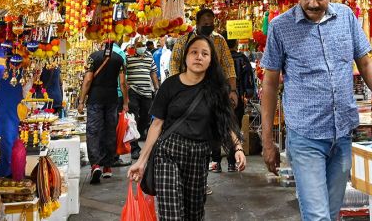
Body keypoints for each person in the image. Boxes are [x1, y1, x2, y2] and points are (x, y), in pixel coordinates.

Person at [260, 0, 372, 221]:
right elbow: (269, 83)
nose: (313, 3)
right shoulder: (281, 27)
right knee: (318, 216)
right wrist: (267, 141)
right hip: (305, 136)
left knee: (332, 214)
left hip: (342, 133)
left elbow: (366, 62)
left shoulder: (345, 17)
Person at [128, 35, 247, 221]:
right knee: (171, 215)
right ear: (185, 57)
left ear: (210, 60)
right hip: (168, 152)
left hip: (199, 155)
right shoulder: (170, 85)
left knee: (194, 214)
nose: (198, 57)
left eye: (204, 54)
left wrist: (238, 147)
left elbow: (226, 121)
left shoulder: (216, 89)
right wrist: (141, 161)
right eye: (194, 52)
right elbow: (156, 124)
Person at [170, 8, 238, 172]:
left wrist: (233, 90)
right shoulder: (184, 40)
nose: (209, 26)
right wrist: (178, 87)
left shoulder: (219, 41)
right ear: (197, 23)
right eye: (205, 23)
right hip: (189, 91)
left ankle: (207, 166)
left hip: (213, 92)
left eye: (211, 23)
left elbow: (229, 66)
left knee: (212, 130)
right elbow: (174, 63)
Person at [76, 41, 129, 184]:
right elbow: (123, 83)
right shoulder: (119, 59)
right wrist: (125, 102)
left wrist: (81, 101)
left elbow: (87, 80)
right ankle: (107, 167)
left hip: (95, 99)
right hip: (112, 99)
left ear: (102, 45)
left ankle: (95, 164)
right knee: (110, 130)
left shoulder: (93, 57)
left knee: (94, 131)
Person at [125, 40, 160, 160]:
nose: (141, 48)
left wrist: (156, 88)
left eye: (142, 46)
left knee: (146, 117)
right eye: (138, 46)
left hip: (147, 92)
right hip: (133, 91)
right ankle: (134, 148)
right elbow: (123, 72)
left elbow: (153, 72)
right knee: (133, 119)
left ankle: (138, 135)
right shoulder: (128, 55)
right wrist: (125, 85)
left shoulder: (149, 55)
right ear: (134, 46)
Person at [228, 38, 257, 172]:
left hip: (220, 97)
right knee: (235, 127)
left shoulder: (220, 59)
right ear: (235, 44)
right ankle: (231, 162)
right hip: (237, 98)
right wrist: (248, 93)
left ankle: (216, 159)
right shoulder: (241, 59)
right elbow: (248, 78)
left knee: (221, 127)